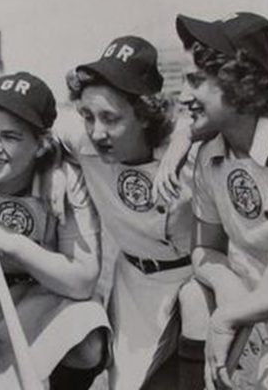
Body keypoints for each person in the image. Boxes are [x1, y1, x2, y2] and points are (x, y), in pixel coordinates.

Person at [0, 71, 111, 390]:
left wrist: (11, 243)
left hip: (37, 306)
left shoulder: (63, 179)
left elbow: (83, 279)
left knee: (88, 337)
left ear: (40, 145)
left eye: (10, 137)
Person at [155, 12, 268, 389]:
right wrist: (228, 291)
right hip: (255, 297)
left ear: (241, 82)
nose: (183, 96)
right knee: (195, 296)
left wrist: (234, 314)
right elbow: (205, 250)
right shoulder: (210, 153)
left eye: (196, 81)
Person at [56, 35, 200, 389]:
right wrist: (54, 170)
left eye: (111, 118)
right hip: (134, 284)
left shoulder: (186, 154)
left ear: (145, 115)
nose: (97, 131)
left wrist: (184, 136)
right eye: (88, 115)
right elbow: (28, 135)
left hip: (193, 281)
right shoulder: (82, 139)